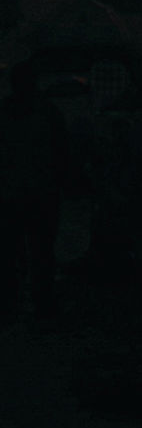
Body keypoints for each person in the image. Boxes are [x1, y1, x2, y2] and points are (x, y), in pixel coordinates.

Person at [0, 60, 71, 322]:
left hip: (13, 193)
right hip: (40, 192)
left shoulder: (6, 112)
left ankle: (12, 301)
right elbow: (62, 152)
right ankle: (41, 301)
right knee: (40, 251)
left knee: (11, 252)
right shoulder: (48, 113)